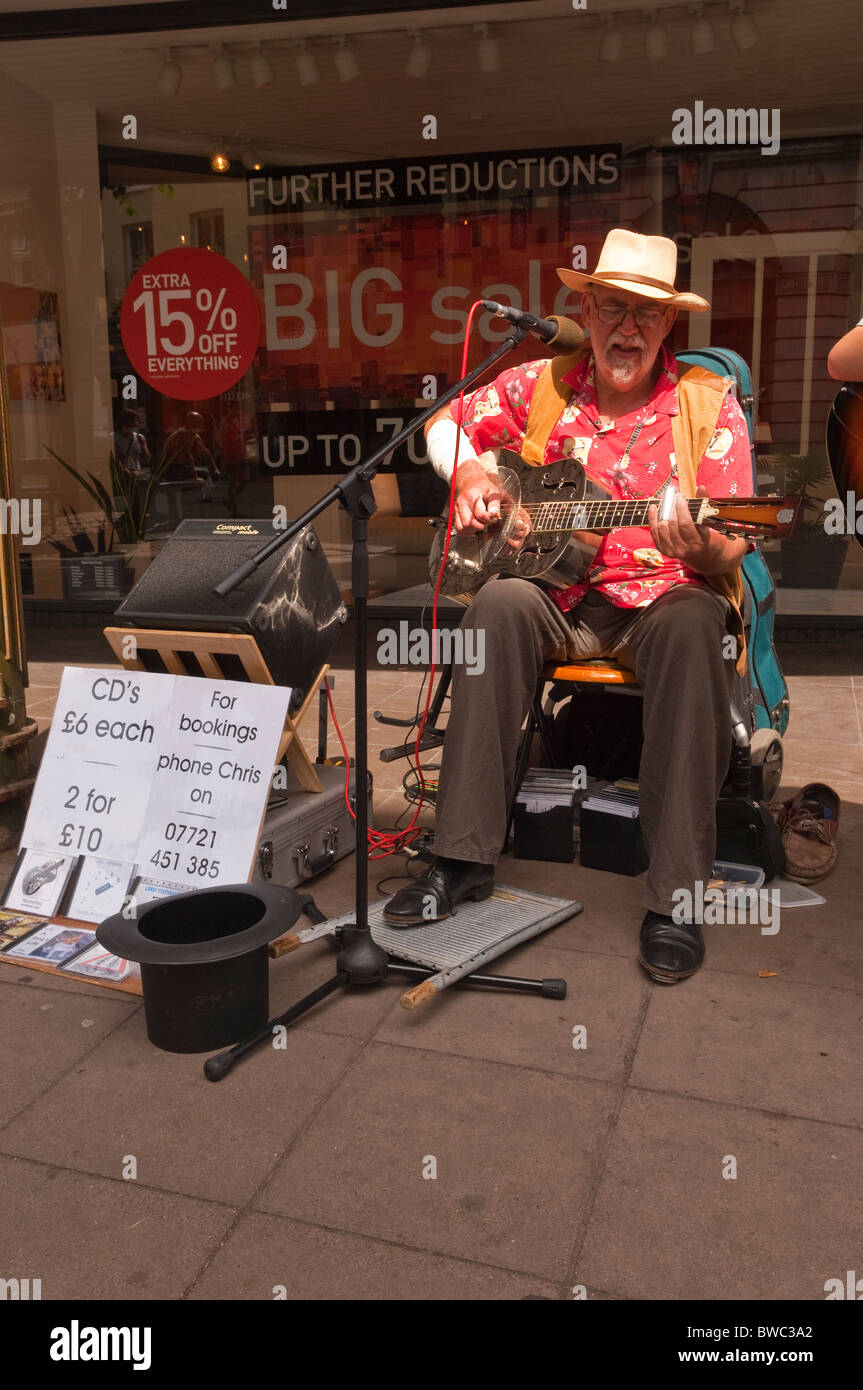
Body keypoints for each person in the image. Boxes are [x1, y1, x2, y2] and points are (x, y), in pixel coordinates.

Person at [383, 230, 755, 985]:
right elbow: (444, 423)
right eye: (612, 308)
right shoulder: (538, 384)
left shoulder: (706, 404)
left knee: (693, 623)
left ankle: (677, 896)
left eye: (646, 315)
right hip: (556, 594)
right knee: (496, 605)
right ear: (584, 310)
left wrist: (698, 547)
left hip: (657, 601)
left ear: (668, 325)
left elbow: (735, 543)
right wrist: (468, 483)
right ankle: (460, 857)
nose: (627, 328)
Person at [113, 409, 151, 479]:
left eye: (136, 420)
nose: (135, 423)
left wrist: (143, 445)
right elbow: (115, 459)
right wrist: (125, 471)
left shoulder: (139, 437)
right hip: (121, 476)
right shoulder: (114, 437)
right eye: (132, 420)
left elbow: (146, 460)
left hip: (136, 474)